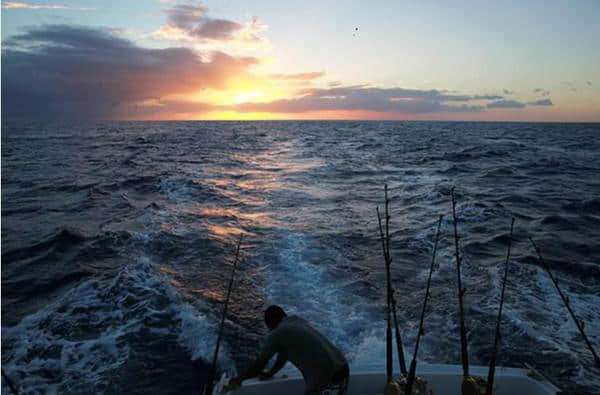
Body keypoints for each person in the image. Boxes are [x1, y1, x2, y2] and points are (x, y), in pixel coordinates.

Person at [228, 305, 349, 395]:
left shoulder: (277, 333)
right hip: (343, 369)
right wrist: (271, 373)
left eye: (268, 324)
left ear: (273, 320)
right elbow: (284, 354)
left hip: (330, 379)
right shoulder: (296, 321)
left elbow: (259, 365)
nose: (269, 329)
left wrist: (239, 379)